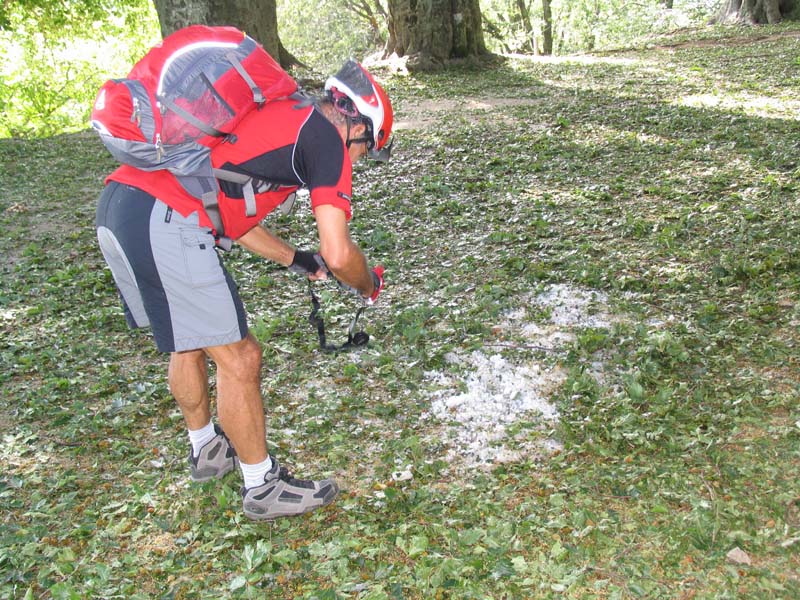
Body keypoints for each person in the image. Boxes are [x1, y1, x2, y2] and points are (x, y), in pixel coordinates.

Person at [95, 60, 393, 521]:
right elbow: (339, 252)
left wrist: (296, 260)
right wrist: (368, 285)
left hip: (122, 207)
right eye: (368, 149)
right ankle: (262, 485)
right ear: (356, 125)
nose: (360, 161)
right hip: (166, 219)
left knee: (190, 339)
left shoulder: (283, 116)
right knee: (241, 357)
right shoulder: (325, 141)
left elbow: (233, 216)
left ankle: (207, 451)